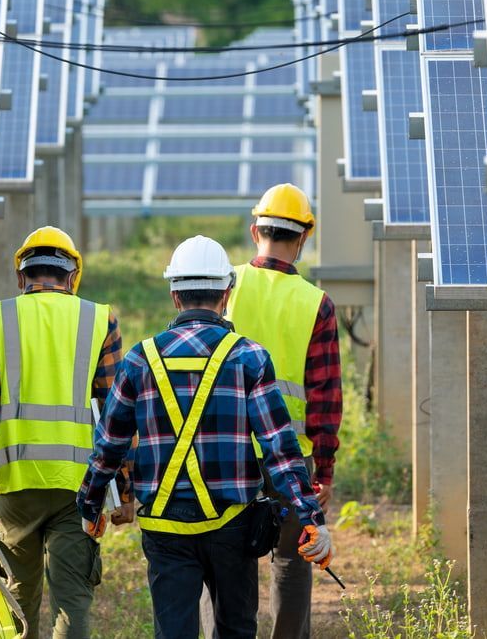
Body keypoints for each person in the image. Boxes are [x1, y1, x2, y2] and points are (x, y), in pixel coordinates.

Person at [77, 235, 334, 639]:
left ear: (174, 295)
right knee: (235, 630)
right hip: (233, 526)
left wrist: (90, 505)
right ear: (227, 292)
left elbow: (108, 446)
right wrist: (311, 517)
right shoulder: (248, 357)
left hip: (165, 531)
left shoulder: (140, 360)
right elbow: (280, 449)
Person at [0, 226, 130, 639]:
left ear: (22, 276)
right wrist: (124, 490)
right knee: (72, 599)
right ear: (73, 276)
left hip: (16, 486)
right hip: (80, 486)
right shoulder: (99, 319)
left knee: (16, 599)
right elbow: (116, 414)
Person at [226, 183, 343, 638]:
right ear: (304, 238)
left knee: (224, 554)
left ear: (255, 229)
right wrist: (325, 471)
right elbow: (325, 395)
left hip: (225, 449)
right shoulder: (317, 304)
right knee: (293, 562)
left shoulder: (226, 285)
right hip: (291, 455)